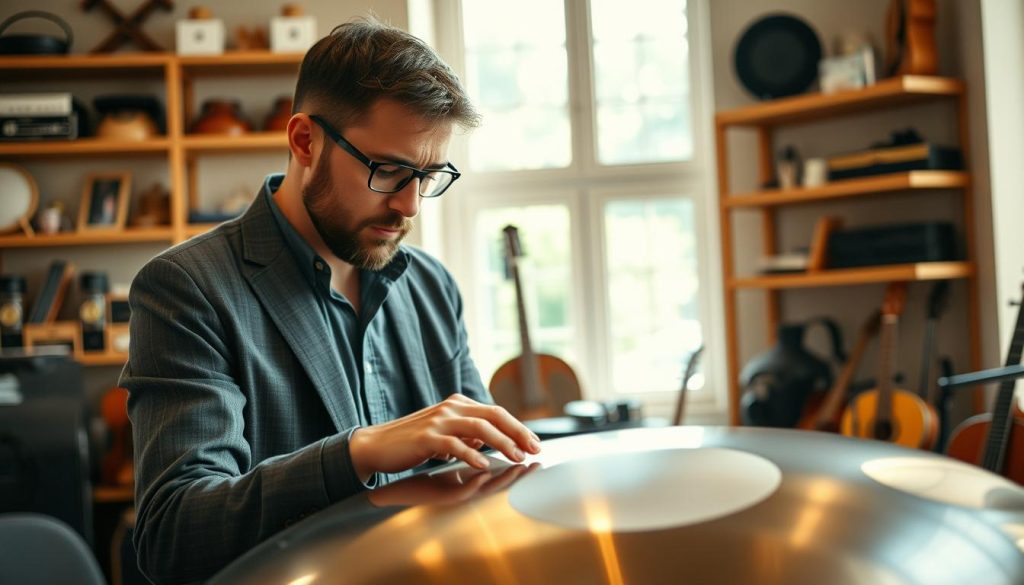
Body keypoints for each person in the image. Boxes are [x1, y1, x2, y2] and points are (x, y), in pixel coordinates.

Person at [120, 17, 541, 584]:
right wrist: (358, 452)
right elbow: (173, 535)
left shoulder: (432, 287)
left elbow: (483, 475)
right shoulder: (187, 289)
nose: (411, 206)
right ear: (304, 141)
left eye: (429, 175)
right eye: (389, 171)